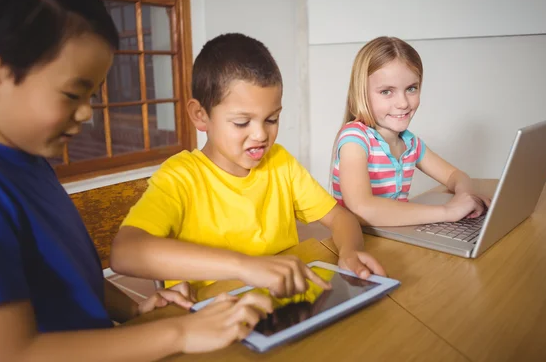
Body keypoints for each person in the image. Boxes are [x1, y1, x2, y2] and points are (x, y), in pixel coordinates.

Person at [0, 0, 272, 360]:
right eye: (73, 94)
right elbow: (12, 353)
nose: (88, 113)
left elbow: (70, 278)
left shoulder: (30, 163)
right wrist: (179, 334)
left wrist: (134, 308)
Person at [110, 33, 386, 297]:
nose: (260, 135)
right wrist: (244, 266)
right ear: (200, 116)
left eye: (271, 119)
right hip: (219, 314)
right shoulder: (181, 177)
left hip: (284, 301)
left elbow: (340, 218)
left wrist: (350, 251)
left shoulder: (280, 163)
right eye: (242, 122)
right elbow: (125, 252)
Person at [331, 36, 491, 227]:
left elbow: (455, 176)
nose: (403, 103)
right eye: (386, 91)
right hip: (360, 241)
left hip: (396, 233)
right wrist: (447, 211)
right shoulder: (354, 140)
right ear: (361, 93)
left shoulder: (411, 144)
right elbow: (362, 207)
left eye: (411, 89)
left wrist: (466, 197)